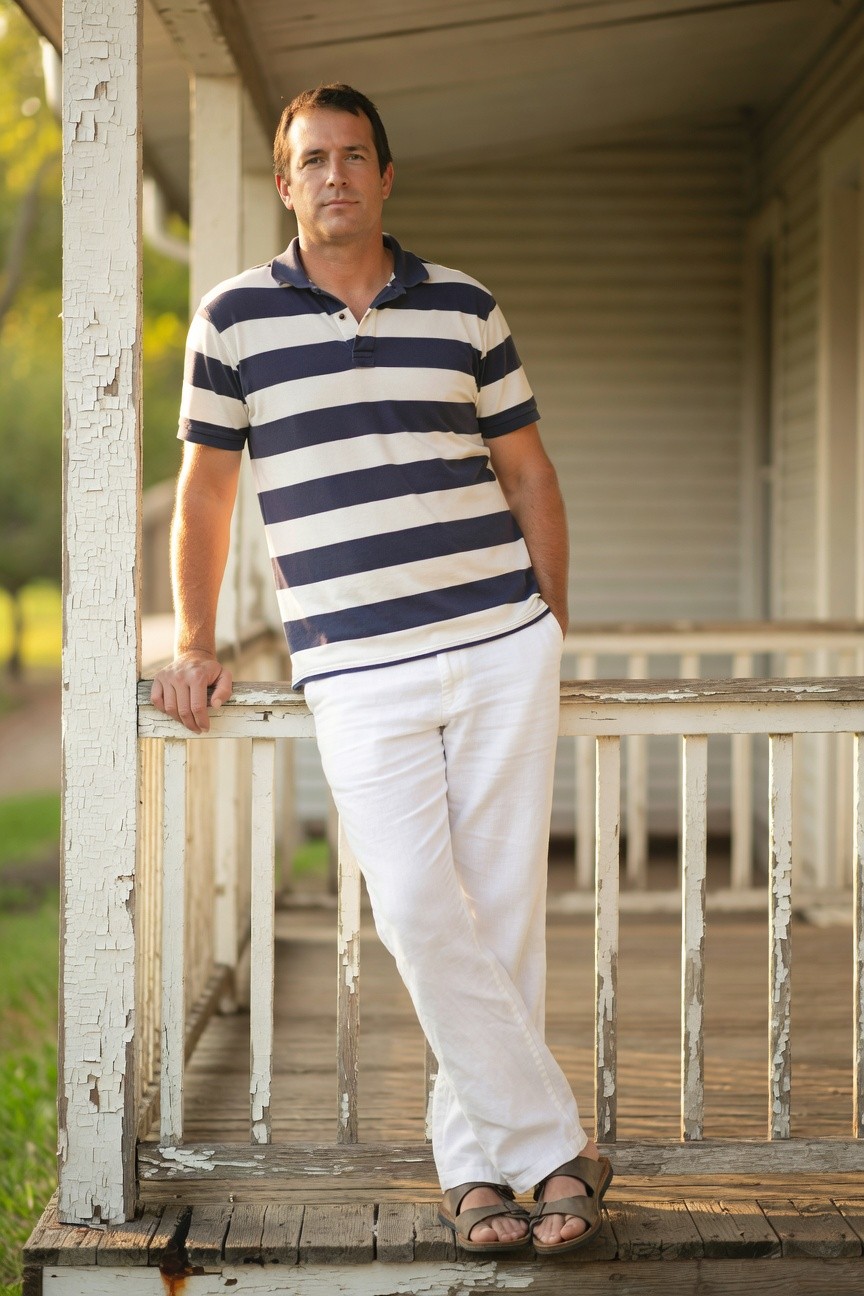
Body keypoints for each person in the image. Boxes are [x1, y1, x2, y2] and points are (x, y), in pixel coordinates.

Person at [151, 82, 611, 1256]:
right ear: (284, 180)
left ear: (387, 177)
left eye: (357, 157)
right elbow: (206, 498)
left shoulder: (464, 307)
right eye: (314, 159)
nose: (336, 176)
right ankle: (552, 1145)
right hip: (355, 667)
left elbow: (530, 474)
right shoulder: (233, 320)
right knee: (415, 908)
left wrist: (545, 625)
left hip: (499, 643)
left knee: (499, 909)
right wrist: (192, 640)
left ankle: (478, 1176)